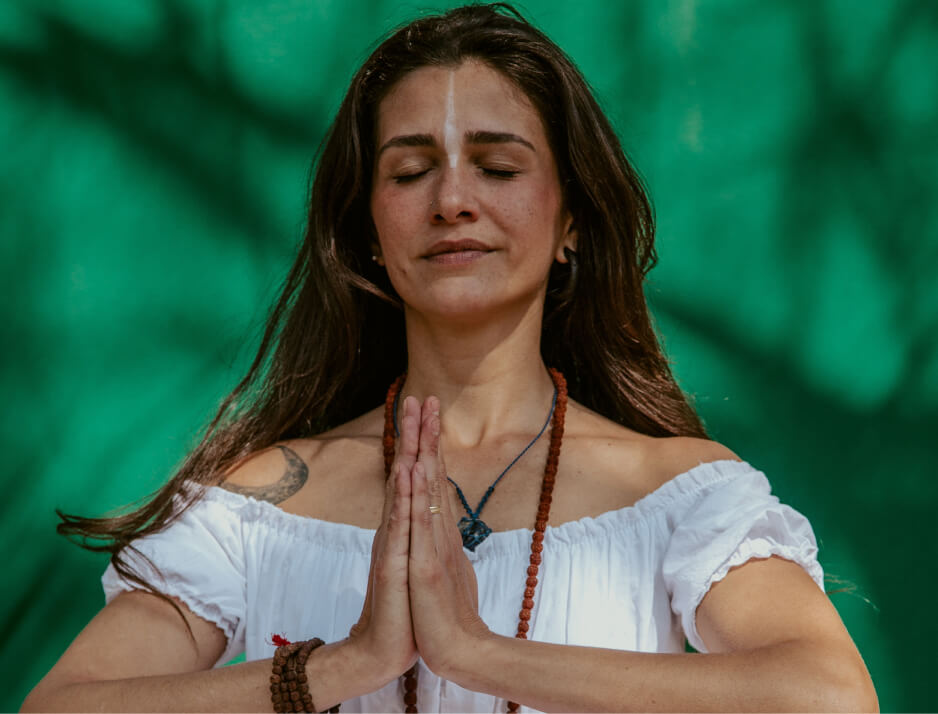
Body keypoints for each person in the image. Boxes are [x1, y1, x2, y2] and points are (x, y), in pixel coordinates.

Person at [23, 4, 877, 712]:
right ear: (368, 229)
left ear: (572, 221)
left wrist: (479, 652)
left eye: (498, 167)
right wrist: (346, 664)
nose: (454, 200)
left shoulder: (676, 494)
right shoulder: (256, 509)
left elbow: (829, 696)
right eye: (409, 172)